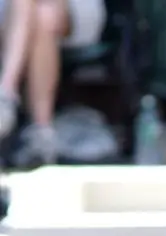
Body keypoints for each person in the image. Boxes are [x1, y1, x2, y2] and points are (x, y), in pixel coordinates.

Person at [0, 0, 107, 166]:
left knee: (45, 15)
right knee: (36, 13)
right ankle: (41, 130)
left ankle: (7, 97)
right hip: (12, 11)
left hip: (72, 8)